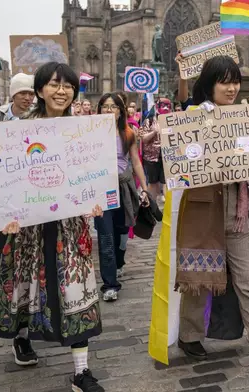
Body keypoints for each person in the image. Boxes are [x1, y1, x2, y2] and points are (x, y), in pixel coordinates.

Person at [175, 55, 249, 376]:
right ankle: (189, 336)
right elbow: (182, 155)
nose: (231, 87)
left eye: (235, 81)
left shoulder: (246, 118)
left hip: (237, 211)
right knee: (199, 279)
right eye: (224, 81)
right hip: (203, 209)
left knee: (247, 282)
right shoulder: (196, 115)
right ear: (210, 84)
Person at [0, 62, 105, 392]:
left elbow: (92, 174)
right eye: (54, 84)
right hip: (29, 228)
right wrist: (7, 213)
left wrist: (95, 197)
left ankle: (81, 371)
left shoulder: (84, 130)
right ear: (40, 90)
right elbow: (5, 176)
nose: (62, 91)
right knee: (27, 286)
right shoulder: (20, 130)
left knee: (76, 290)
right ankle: (23, 338)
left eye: (68, 85)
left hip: (69, 228)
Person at [94, 93, 149, 302]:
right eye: (105, 106)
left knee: (120, 233)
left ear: (120, 111)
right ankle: (110, 284)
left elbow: (135, 161)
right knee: (105, 236)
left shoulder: (128, 133)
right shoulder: (89, 134)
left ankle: (117, 264)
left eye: (114, 107)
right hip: (101, 190)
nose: (109, 110)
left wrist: (144, 189)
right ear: (99, 110)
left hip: (123, 188)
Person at [0, 73, 35, 302]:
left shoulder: (36, 115)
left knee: (25, 237)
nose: (27, 97)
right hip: (3, 183)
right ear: (13, 94)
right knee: (1, 236)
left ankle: (24, 284)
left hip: (28, 183)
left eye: (30, 93)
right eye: (23, 93)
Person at [138, 103, 167, 204]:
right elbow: (144, 139)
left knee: (167, 182)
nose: (166, 107)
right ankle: (151, 207)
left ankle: (169, 208)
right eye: (163, 105)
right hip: (151, 158)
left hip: (167, 156)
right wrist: (154, 132)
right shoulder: (148, 120)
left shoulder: (171, 118)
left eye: (168, 105)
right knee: (153, 183)